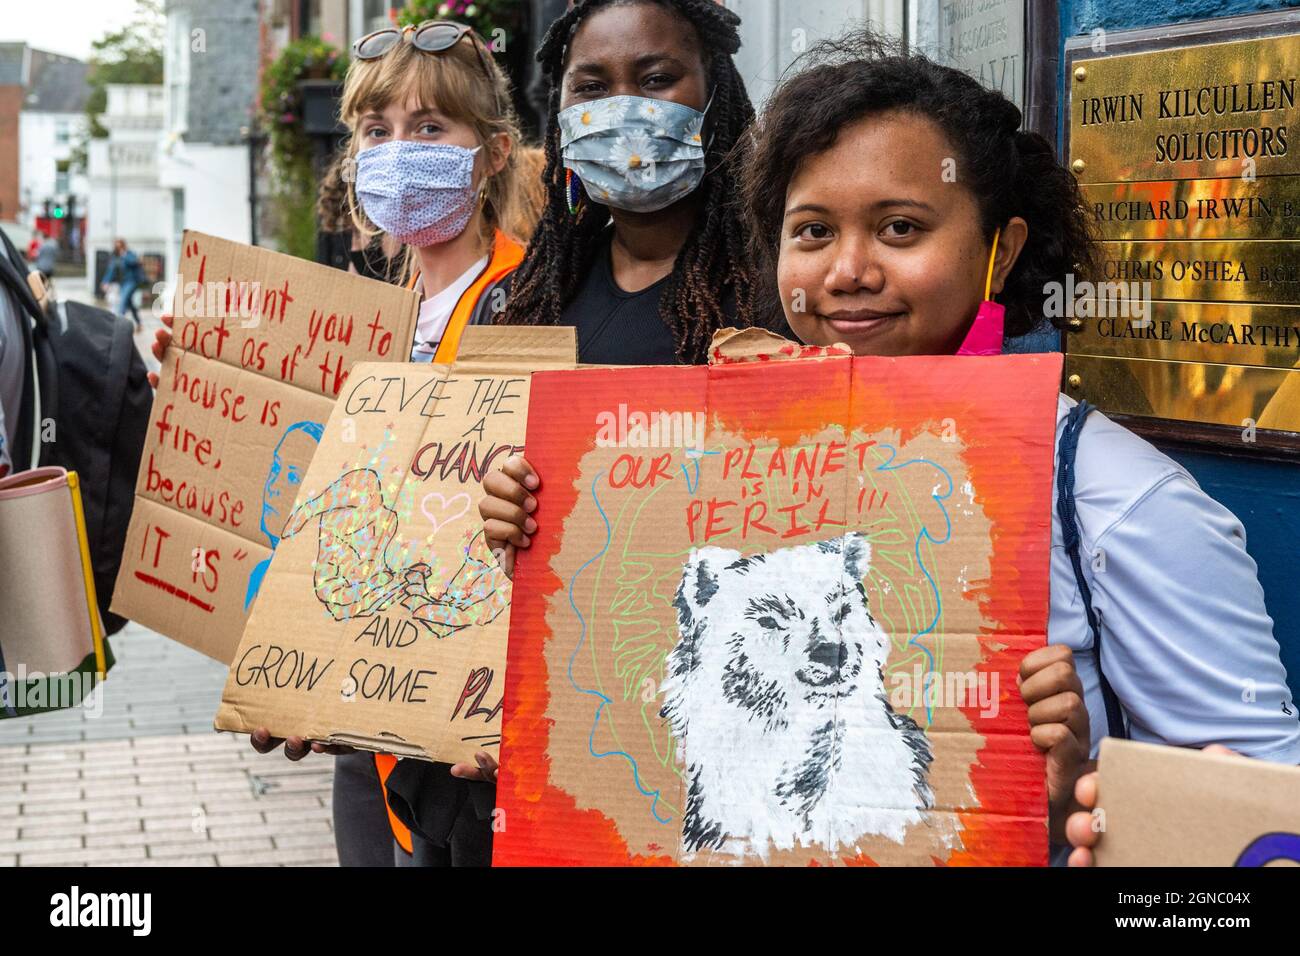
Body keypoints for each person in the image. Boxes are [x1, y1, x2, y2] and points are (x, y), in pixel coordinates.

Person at [480, 31, 1300, 862]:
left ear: (1000, 251)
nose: (848, 269)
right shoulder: (718, 461)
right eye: (811, 232)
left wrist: (1066, 804)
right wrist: (541, 532)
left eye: (901, 228)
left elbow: (1266, 820)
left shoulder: (1112, 496)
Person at [151, 18, 536, 867]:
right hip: (369, 730)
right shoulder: (366, 325)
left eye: (430, 128)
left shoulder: (533, 305)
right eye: (376, 131)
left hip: (480, 751)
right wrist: (205, 385)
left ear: (494, 153)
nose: (398, 151)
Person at [493, 0, 771, 364]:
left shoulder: (774, 290)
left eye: (657, 79)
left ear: (715, 94)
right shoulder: (531, 297)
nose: (623, 106)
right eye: (591, 87)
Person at [101, 238, 144, 328]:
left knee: (123, 300)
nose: (119, 249)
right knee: (129, 303)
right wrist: (105, 282)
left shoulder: (129, 254)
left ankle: (119, 323)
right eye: (117, 247)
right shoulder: (116, 258)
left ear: (123, 246)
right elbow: (111, 270)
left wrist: (124, 255)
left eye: (120, 246)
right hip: (123, 283)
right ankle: (139, 322)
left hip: (132, 282)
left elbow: (134, 262)